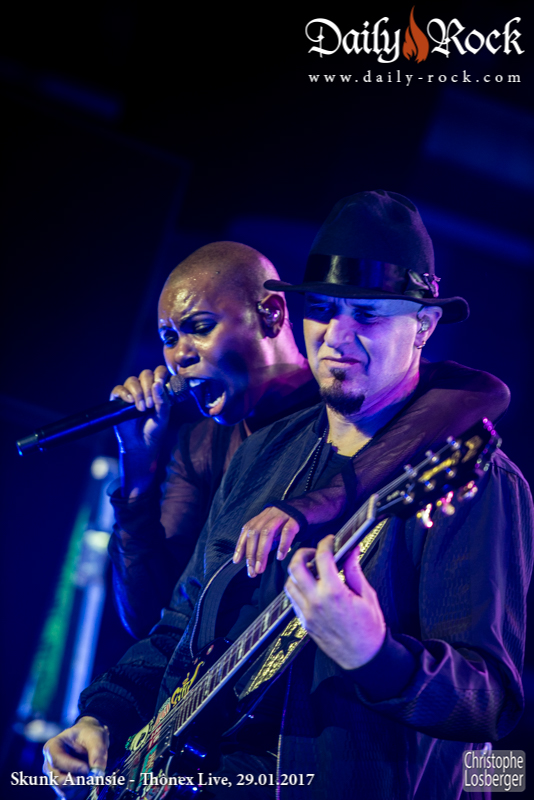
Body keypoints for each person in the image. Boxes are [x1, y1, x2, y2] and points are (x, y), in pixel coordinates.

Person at [44, 191, 533, 799]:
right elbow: (177, 628)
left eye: (368, 315)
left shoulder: (477, 482)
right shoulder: (262, 453)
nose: (337, 336)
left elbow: (488, 701)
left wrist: (373, 653)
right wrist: (104, 715)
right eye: (323, 310)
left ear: (424, 328)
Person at [110, 241, 509, 638]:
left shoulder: (350, 400)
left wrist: (324, 500)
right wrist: (137, 474)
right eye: (168, 338)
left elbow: (481, 392)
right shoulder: (201, 445)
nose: (178, 356)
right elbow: (156, 620)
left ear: (271, 314)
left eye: (199, 327)